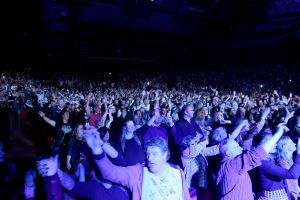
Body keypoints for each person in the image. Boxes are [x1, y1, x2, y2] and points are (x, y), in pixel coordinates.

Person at [83, 125, 191, 200]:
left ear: (165, 155)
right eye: (147, 154)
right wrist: (96, 148)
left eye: (154, 154)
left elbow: (185, 197)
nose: (149, 158)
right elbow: (110, 173)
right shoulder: (138, 173)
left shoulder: (177, 171)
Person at [216, 124, 288, 200]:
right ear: (228, 153)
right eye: (236, 147)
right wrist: (279, 133)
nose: (240, 148)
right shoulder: (232, 164)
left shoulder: (222, 166)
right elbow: (256, 155)